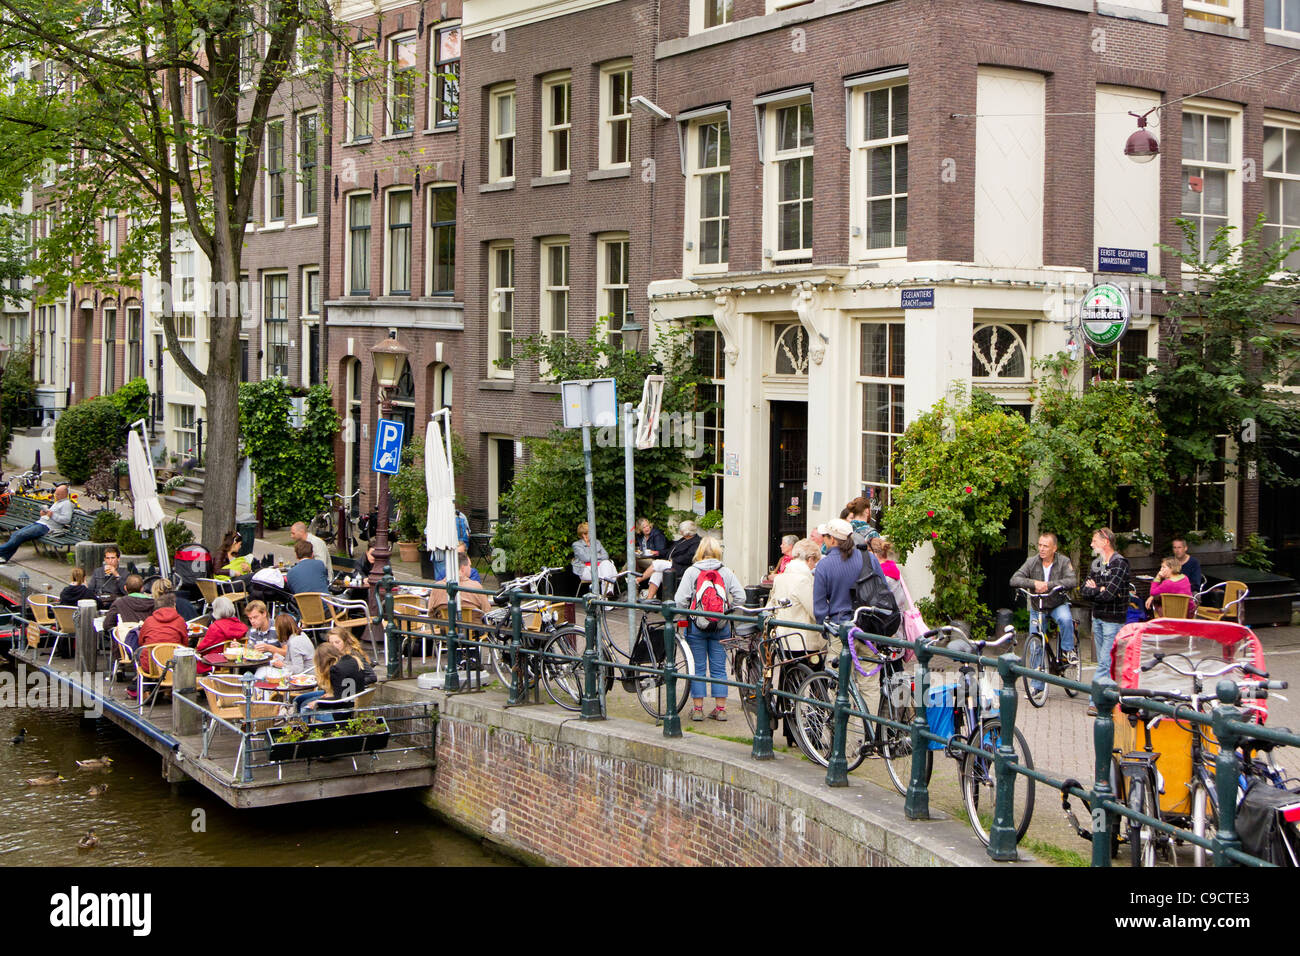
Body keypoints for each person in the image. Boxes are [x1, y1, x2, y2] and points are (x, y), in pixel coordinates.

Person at [674, 536, 746, 722]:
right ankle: (720, 709)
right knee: (718, 668)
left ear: (699, 552)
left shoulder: (691, 571)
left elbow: (679, 600)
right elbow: (741, 597)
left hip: (696, 627)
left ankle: (698, 709)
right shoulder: (726, 571)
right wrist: (728, 613)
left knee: (697, 668)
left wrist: (688, 613)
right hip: (721, 626)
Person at [1081, 527, 1131, 709]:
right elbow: (1083, 591)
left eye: (1094, 540)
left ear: (1106, 541)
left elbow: (1109, 594)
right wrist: (1098, 590)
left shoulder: (1120, 564)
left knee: (1104, 661)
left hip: (1113, 619)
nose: (1091, 544)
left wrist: (1098, 589)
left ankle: (1095, 702)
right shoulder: (1097, 563)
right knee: (1107, 662)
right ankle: (1112, 697)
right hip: (1098, 617)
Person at [1009, 532, 1078, 662]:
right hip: (1038, 606)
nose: (1041, 549)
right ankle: (1036, 682)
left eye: (1045, 546)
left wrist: (1049, 585)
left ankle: (1068, 650)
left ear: (1054, 548)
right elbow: (1014, 579)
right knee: (1035, 646)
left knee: (1065, 619)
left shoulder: (1064, 561)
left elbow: (1072, 581)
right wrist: (1034, 583)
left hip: (1057, 604)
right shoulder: (1032, 561)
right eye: (1040, 545)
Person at [813, 518, 876, 627]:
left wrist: (825, 629)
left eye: (825, 536)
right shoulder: (869, 557)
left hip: (839, 628)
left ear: (832, 539)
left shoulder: (823, 565)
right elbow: (882, 586)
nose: (824, 540)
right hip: (869, 628)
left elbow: (819, 607)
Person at [771, 538, 826, 656]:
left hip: (783, 638)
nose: (814, 566)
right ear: (810, 559)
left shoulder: (780, 578)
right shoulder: (804, 580)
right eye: (815, 562)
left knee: (786, 672)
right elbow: (814, 611)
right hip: (802, 641)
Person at [0, 483, 74, 564]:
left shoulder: (67, 504)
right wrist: (44, 514)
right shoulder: (58, 502)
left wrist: (52, 514)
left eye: (58, 494)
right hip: (41, 522)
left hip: (47, 527)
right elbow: (51, 515)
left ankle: (1, 552)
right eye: (56, 493)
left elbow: (66, 520)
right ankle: (4, 556)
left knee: (19, 536)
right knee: (16, 534)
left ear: (65, 494)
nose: (56, 495)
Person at [195, 596, 249, 674]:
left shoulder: (215, 627)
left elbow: (202, 648)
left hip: (214, 663)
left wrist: (196, 649)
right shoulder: (242, 626)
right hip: (236, 661)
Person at [571, 522, 618, 596]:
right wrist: (598, 555)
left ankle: (606, 595)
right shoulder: (577, 545)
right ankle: (606, 594)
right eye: (590, 532)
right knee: (609, 573)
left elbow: (606, 556)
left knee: (606, 563)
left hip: (600, 568)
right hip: (585, 570)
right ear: (584, 534)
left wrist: (592, 556)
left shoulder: (597, 542)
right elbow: (585, 558)